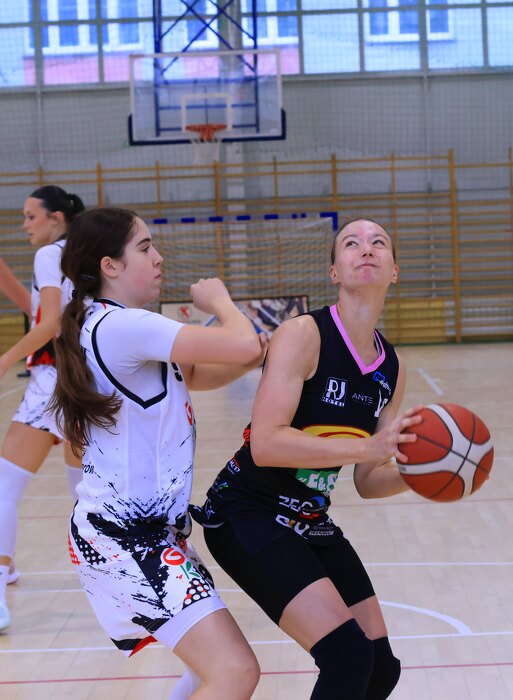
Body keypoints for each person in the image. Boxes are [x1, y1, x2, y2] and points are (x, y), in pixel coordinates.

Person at [191, 218, 423, 700]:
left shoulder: (392, 367)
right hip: (246, 512)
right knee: (348, 656)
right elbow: (266, 444)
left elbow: (369, 480)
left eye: (378, 242)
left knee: (380, 669)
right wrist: (366, 447)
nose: (366, 248)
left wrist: (423, 473)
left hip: (309, 518)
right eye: (351, 243)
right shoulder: (303, 334)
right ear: (334, 271)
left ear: (394, 270)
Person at [50, 207, 263, 699]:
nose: (158, 257)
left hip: (142, 532)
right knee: (234, 671)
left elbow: (197, 374)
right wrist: (221, 301)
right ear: (110, 266)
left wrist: (259, 350)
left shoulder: (112, 325)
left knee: (206, 672)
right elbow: (241, 345)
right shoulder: (122, 326)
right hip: (124, 537)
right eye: (145, 248)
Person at [0, 185, 85, 631]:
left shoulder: (49, 254)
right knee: (88, 496)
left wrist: (5, 359)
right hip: (92, 381)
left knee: (3, 488)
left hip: (55, 380)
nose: (24, 224)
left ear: (55, 218)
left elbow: (49, 323)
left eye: (30, 215)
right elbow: (49, 311)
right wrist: (7, 281)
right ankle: (127, 587)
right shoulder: (88, 250)